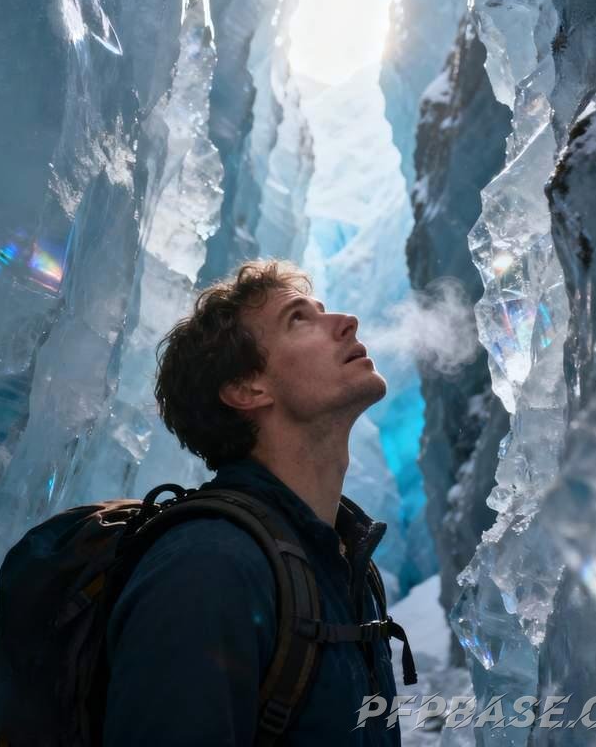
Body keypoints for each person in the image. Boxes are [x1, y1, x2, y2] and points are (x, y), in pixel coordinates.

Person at [103, 259, 402, 746]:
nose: (347, 322)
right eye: (298, 319)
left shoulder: (345, 562)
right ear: (247, 389)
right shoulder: (207, 568)